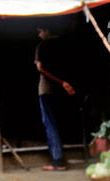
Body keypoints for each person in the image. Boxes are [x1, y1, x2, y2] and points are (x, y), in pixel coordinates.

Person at [35, 26, 75, 171]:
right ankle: (59, 158)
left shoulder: (43, 46)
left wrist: (60, 82)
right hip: (62, 91)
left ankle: (57, 160)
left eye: (40, 31)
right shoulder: (64, 45)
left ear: (47, 30)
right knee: (58, 122)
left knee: (50, 124)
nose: (39, 34)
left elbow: (40, 68)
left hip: (47, 89)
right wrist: (64, 83)